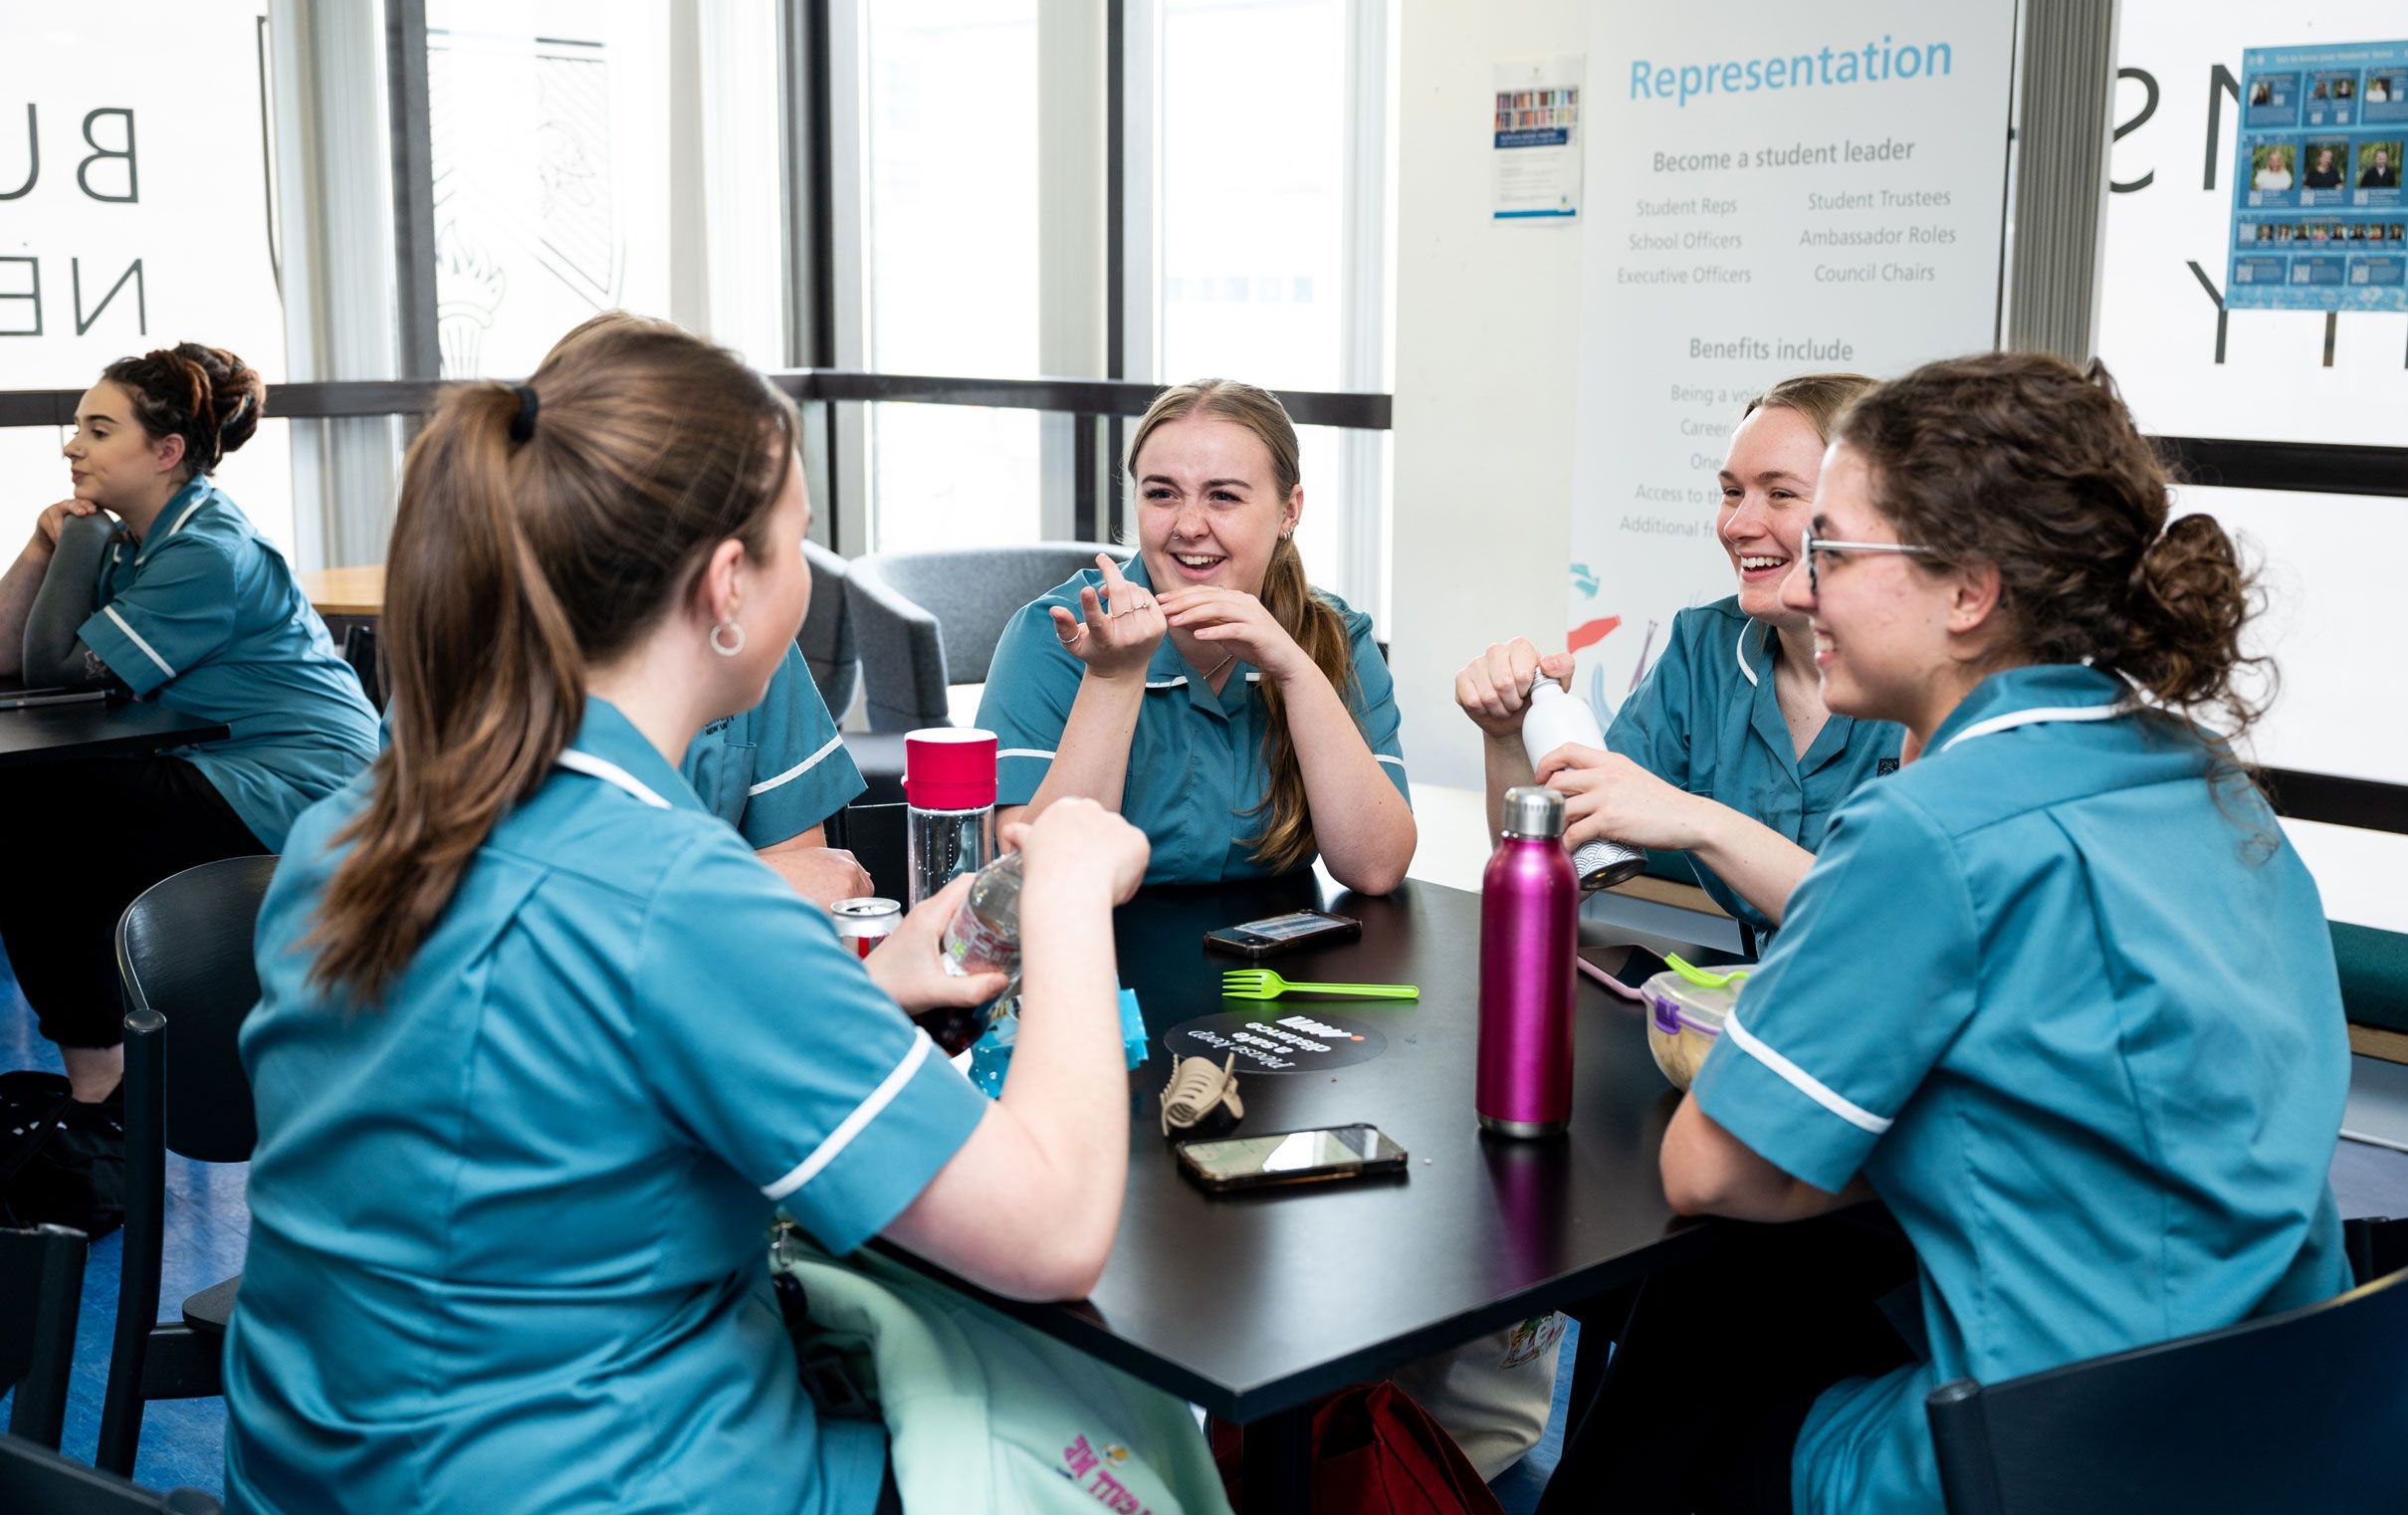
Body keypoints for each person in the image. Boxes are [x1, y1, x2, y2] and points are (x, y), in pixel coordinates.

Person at [224, 317, 1152, 1513]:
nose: (807, 573)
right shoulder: (682, 898)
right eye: (798, 543)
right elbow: (1055, 1230)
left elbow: (555, 1102)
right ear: (726, 585)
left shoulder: (354, 831)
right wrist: (1069, 884)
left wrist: (861, 994)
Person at [1544, 352, 2350, 1514]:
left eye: (1833, 548)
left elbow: (1710, 1167)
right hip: (2282, 1403)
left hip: (2062, 1449)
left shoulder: (1926, 830)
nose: (1806, 586)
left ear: (1968, 591)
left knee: (1699, 1355)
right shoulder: (2202, 772)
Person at [0, 344, 378, 1220]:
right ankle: (104, 1092)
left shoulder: (207, 547)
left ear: (165, 451)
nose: (73, 447)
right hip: (212, 764)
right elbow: (10, 656)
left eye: (99, 429)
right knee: (43, 822)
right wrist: (41, 542)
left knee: (35, 816)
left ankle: (106, 1103)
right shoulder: (133, 539)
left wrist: (81, 539)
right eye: (77, 428)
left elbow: (55, 664)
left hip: (301, 784)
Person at [1456, 374, 1903, 948]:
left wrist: (1696, 819)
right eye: (1732, 492)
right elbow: (1552, 877)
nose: (1738, 526)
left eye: (1781, 493)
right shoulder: (1708, 648)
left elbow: (1893, 923)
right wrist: (1507, 737)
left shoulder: (1929, 685)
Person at [982, 378, 1415, 894]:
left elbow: (1375, 867)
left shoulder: (1337, 636)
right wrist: (1113, 678)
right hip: (1093, 954)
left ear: (1289, 511)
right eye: (1162, 493)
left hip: (1273, 964)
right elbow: (1036, 880)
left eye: (1224, 496)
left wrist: (1295, 672)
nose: (1188, 525)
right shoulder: (1053, 635)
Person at [546, 313, 870, 906]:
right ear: (728, 583)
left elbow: (810, 877)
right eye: (798, 543)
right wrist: (743, 892)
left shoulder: (757, 664)